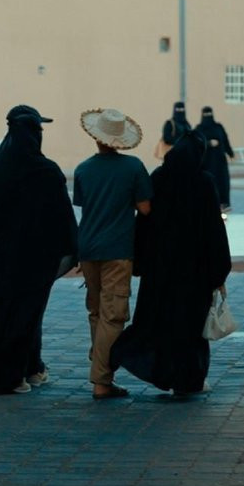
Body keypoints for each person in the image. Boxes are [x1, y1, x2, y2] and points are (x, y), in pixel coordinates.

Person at [0, 105, 77, 395]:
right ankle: (11, 377)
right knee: (23, 318)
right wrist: (72, 249)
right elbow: (62, 217)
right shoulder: (46, 171)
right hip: (32, 262)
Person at [110, 129, 232, 397]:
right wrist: (219, 271)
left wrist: (141, 261)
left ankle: (162, 372)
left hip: (160, 269)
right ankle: (188, 380)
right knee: (190, 328)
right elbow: (213, 230)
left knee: (161, 323)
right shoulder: (204, 182)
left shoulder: (159, 178)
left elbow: (144, 223)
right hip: (194, 273)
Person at [73, 108, 152, 401]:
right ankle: (102, 380)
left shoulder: (82, 169)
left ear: (96, 138)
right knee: (113, 315)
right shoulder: (133, 167)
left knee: (96, 312)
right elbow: (145, 208)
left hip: (88, 248)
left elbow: (85, 205)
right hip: (117, 249)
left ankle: (101, 366)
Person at [197, 106, 235, 211]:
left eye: (209, 114)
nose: (208, 117)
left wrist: (230, 153)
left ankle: (223, 204)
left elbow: (225, 140)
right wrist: (208, 143)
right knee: (208, 184)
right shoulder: (199, 129)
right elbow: (197, 143)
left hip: (219, 162)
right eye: (206, 114)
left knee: (222, 183)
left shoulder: (218, 127)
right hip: (206, 163)